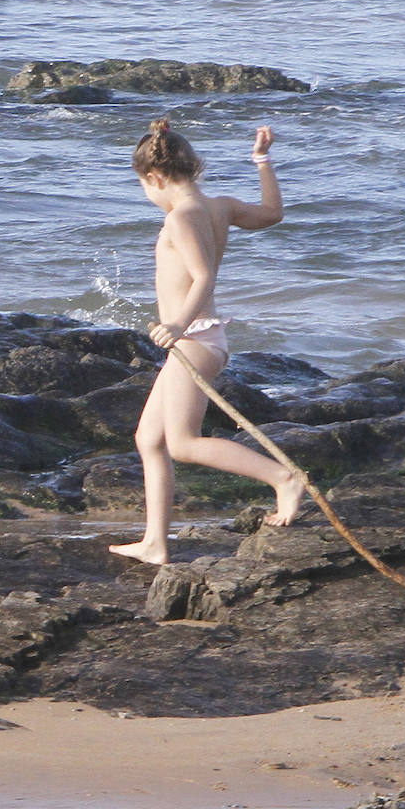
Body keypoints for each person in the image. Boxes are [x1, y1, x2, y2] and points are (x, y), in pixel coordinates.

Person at [110, 118, 306, 566]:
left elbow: (203, 276)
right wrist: (262, 161)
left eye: (144, 186)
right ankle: (156, 543)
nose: (147, 195)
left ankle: (283, 479)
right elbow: (273, 214)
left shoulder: (181, 216)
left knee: (181, 442)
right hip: (204, 338)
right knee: (149, 439)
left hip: (195, 339)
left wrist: (177, 323)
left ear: (155, 178)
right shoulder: (219, 206)